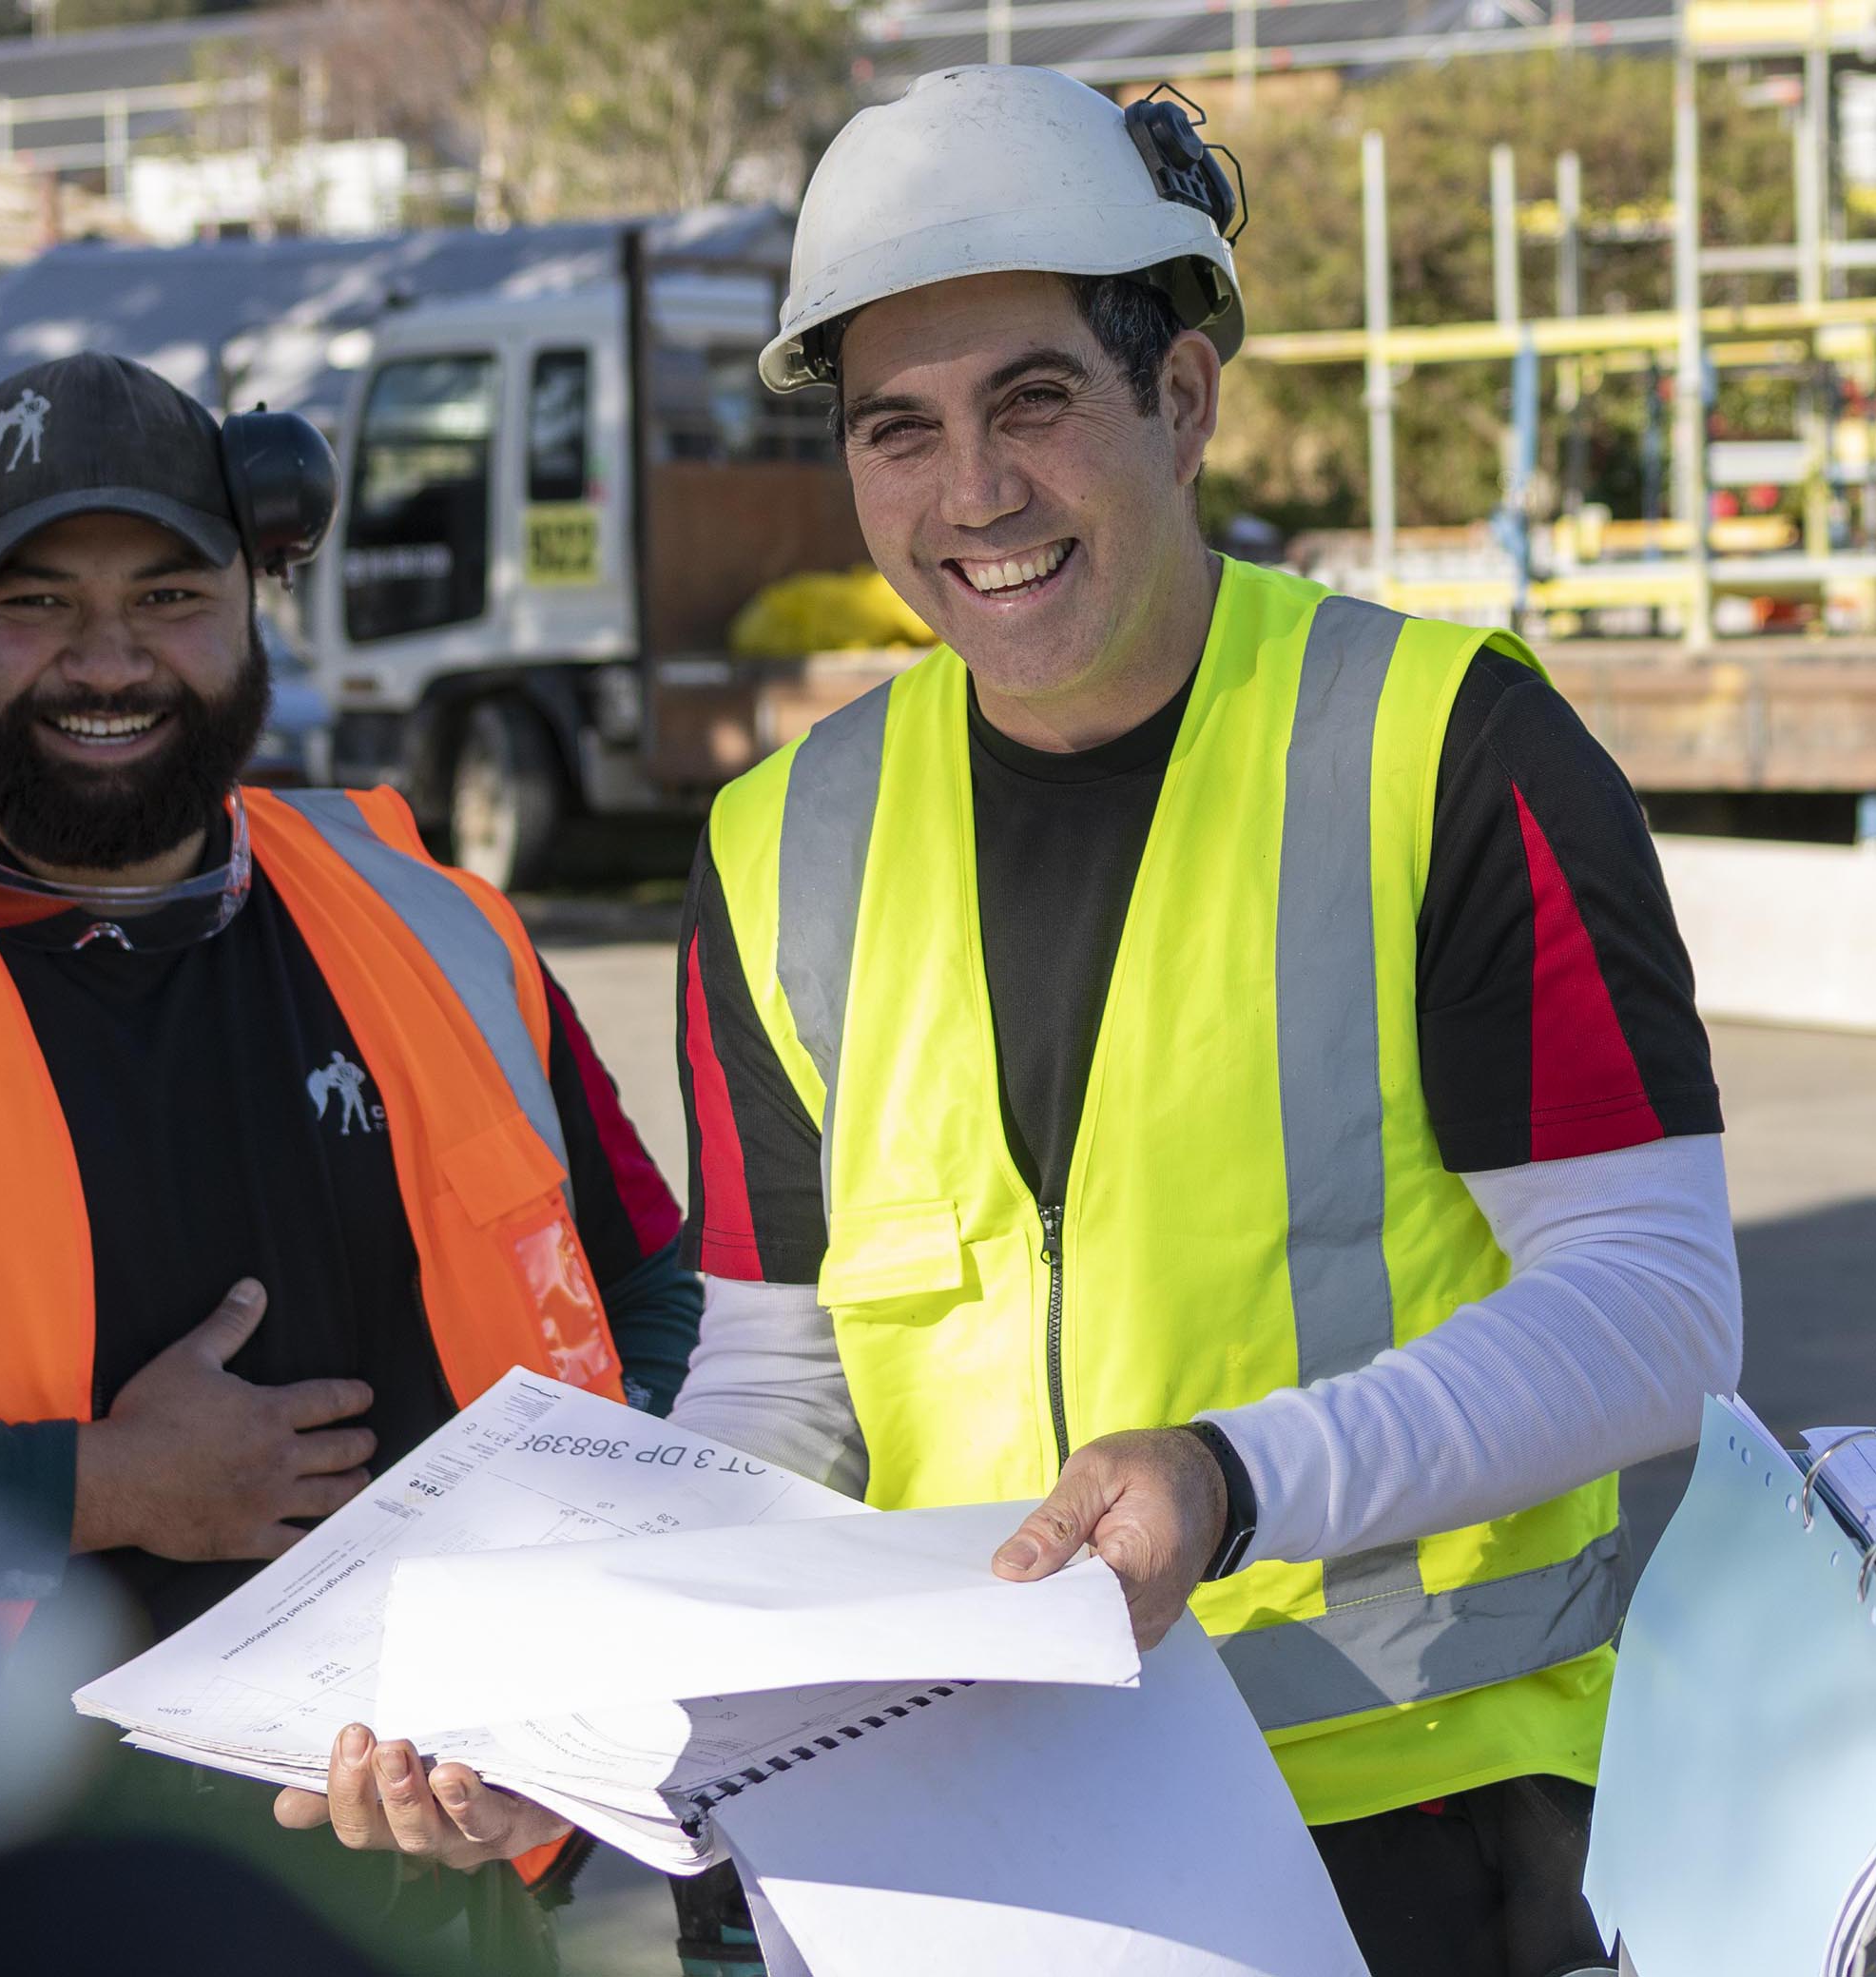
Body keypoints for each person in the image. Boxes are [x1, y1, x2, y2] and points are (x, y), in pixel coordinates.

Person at [651, 69, 1741, 1977]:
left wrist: (1234, 1480)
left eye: (1033, 401)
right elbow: (775, 1383)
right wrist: (596, 1691)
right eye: (895, 430)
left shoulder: (1446, 749)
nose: (970, 494)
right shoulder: (776, 843)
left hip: (1414, 1828)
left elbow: (1655, 1301)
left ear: (1180, 396)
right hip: (954, 1833)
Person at [0, 350, 702, 1967]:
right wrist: (92, 1484)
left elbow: (650, 1295)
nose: (108, 662)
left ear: (262, 584)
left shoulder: (439, 926)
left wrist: (547, 1650)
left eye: (170, 593)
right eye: (33, 602)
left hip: (427, 1905)